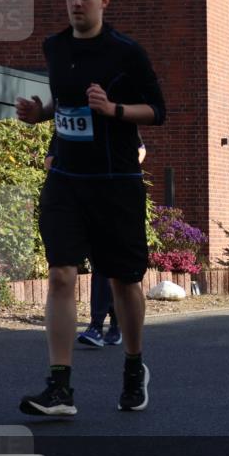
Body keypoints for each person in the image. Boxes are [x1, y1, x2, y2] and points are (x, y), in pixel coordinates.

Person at [16, 0, 165, 416]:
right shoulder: (55, 47)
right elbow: (66, 102)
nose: (76, 3)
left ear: (105, 1)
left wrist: (114, 108)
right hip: (65, 179)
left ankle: (134, 366)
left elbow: (157, 111)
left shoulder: (126, 52)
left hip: (115, 183)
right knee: (61, 273)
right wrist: (40, 112)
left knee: (124, 281)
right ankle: (60, 387)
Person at [77, 138, 146, 347]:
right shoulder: (76, 122)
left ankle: (97, 326)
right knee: (105, 268)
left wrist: (121, 168)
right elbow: (51, 159)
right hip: (86, 203)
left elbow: (140, 150)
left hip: (117, 201)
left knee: (104, 267)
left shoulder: (117, 118)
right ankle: (115, 323)